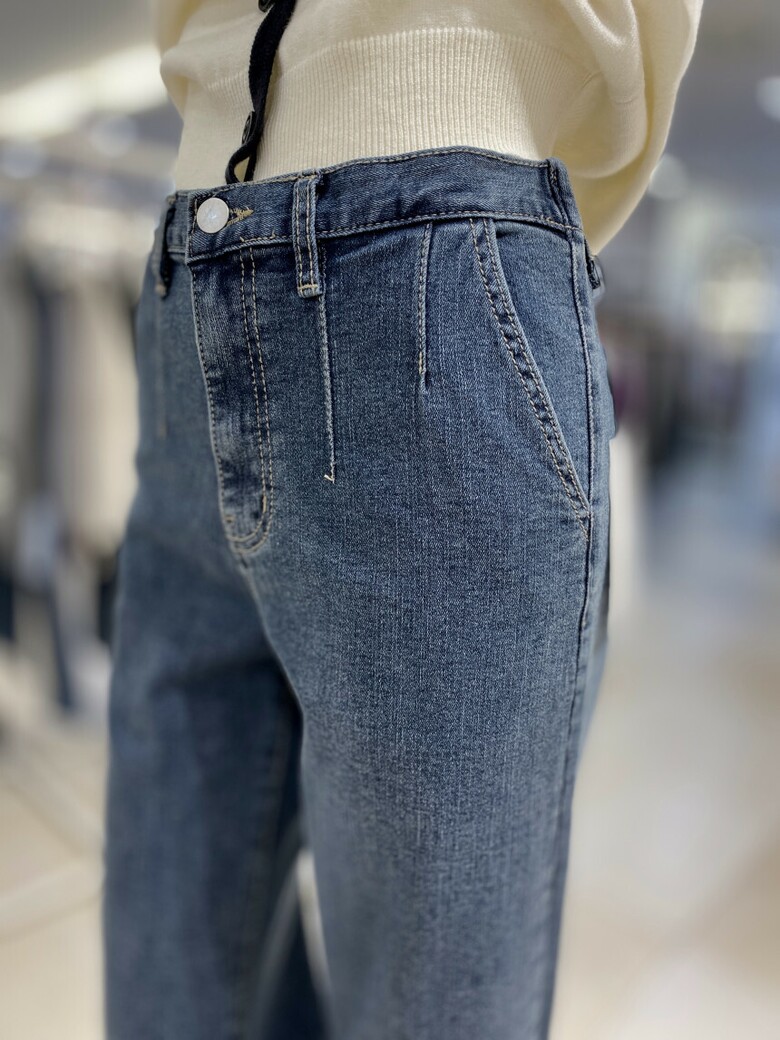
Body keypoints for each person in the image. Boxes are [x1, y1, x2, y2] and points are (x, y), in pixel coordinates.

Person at [102, 2, 702, 1038]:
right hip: (192, 269)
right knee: (169, 988)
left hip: (436, 256)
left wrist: (484, 177)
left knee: (427, 1006)